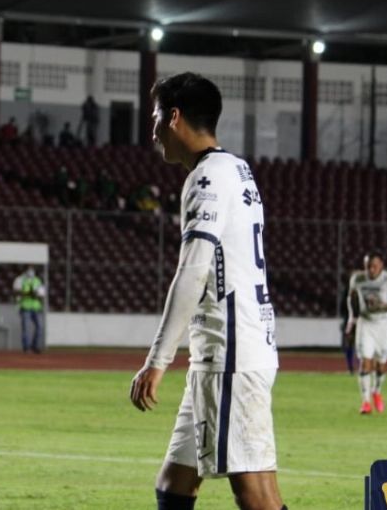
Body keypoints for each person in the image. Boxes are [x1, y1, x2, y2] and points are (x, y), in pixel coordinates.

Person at [128, 73, 286, 510]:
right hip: (225, 352)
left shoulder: (208, 178)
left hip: (229, 355)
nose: (153, 129)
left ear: (174, 118)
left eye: (157, 116)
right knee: (175, 482)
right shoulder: (237, 168)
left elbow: (194, 269)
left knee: (255, 494)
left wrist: (157, 362)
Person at [346, 250, 387, 414]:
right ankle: (365, 402)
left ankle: (376, 391)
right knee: (365, 362)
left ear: (381, 266)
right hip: (366, 323)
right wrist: (352, 319)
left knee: (381, 365)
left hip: (384, 324)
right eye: (368, 266)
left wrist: (382, 306)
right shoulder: (357, 279)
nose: (371, 270)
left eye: (375, 266)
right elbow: (352, 298)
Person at [13, 267, 45, 353]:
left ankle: (35, 346)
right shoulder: (21, 280)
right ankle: (26, 347)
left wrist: (36, 295)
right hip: (25, 307)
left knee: (40, 327)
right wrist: (27, 293)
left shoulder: (37, 280)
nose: (30, 272)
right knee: (26, 328)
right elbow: (16, 292)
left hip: (36, 307)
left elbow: (42, 295)